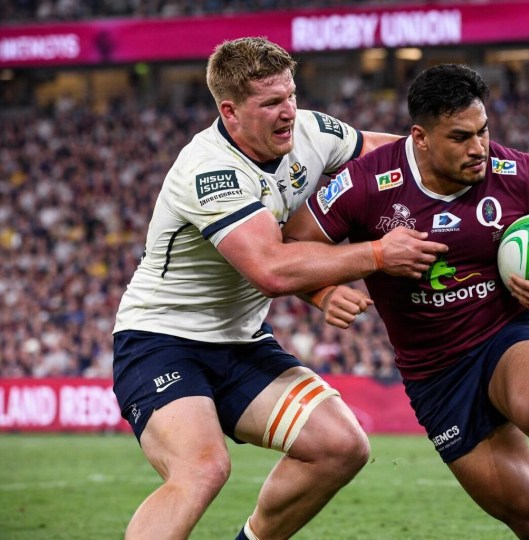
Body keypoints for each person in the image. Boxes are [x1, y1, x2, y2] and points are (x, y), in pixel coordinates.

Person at [283, 63, 529, 539]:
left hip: (507, 330)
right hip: (435, 376)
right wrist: (324, 290)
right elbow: (293, 245)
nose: (478, 148)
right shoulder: (366, 183)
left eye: (482, 131)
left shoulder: (515, 170)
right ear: (420, 137)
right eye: (460, 137)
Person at [111, 36, 447, 540]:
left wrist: (476, 163)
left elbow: (398, 160)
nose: (289, 111)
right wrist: (378, 254)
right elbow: (270, 267)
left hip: (240, 342)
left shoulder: (312, 132)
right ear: (230, 112)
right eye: (270, 103)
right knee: (202, 468)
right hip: (161, 343)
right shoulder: (208, 170)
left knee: (340, 445)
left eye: (290, 94)